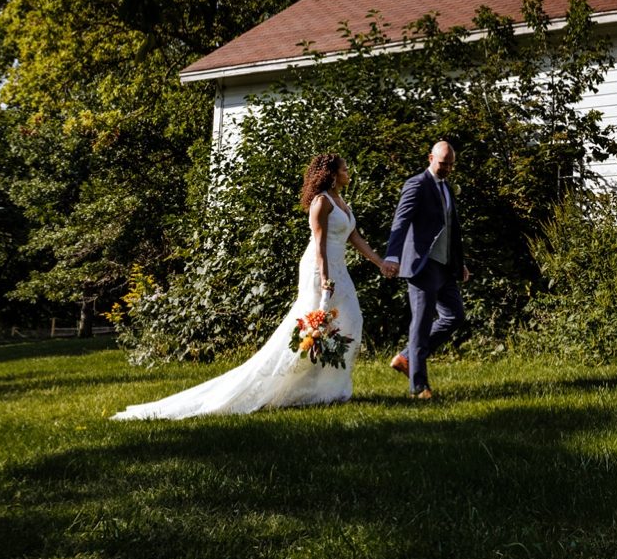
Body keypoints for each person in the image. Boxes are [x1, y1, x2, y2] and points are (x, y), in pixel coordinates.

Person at [113, 154, 395, 419]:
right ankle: (289, 385)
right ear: (332, 175)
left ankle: (328, 387)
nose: (348, 173)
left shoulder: (342, 202)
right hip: (319, 269)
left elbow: (354, 236)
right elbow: (319, 245)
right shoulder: (321, 203)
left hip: (339, 270)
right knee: (312, 328)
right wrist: (324, 279)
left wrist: (379, 262)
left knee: (348, 322)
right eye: (344, 169)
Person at [385, 140, 471, 398]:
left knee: (455, 315)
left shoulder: (446, 188)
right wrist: (392, 256)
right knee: (421, 325)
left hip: (445, 267)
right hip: (422, 266)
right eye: (443, 163)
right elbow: (401, 221)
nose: (446, 168)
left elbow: (451, 228)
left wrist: (460, 262)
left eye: (450, 165)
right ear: (430, 158)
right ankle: (419, 386)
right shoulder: (417, 184)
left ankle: (405, 357)